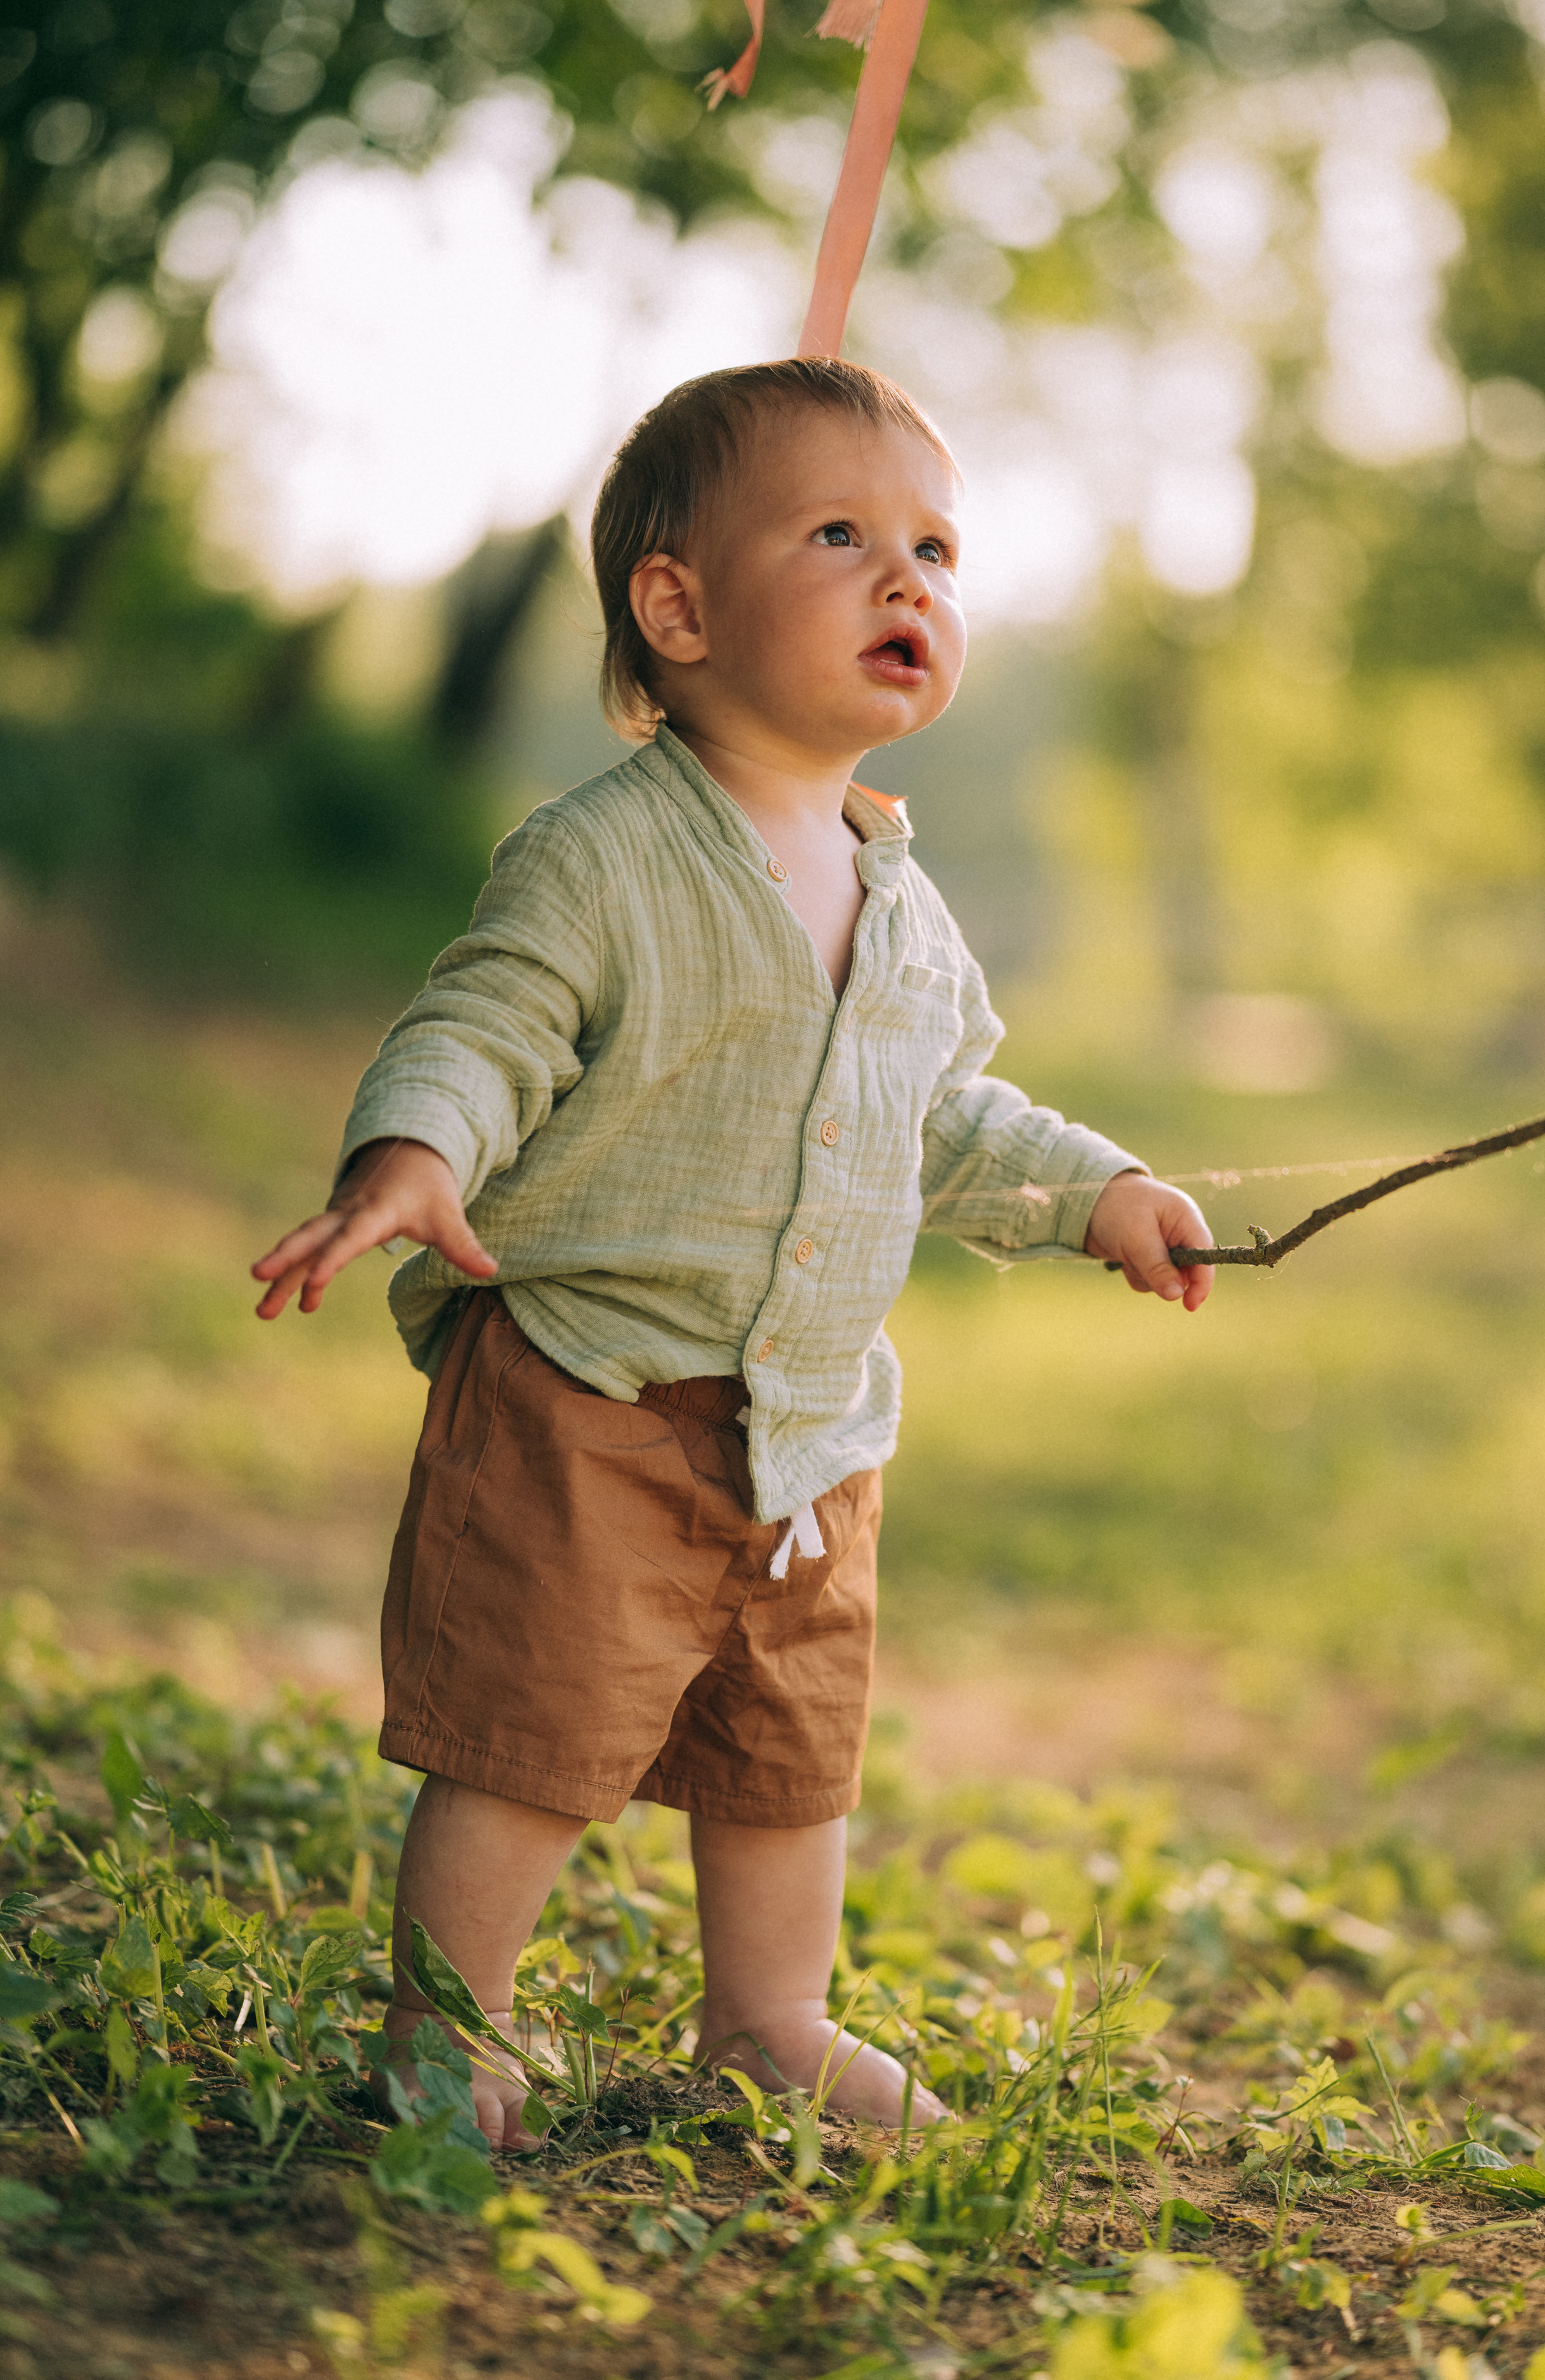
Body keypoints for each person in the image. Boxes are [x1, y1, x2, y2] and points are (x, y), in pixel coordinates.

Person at [250, 358, 1216, 2148]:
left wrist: (1102, 1192)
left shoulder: (904, 903)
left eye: (936, 547)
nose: (907, 576)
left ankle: (767, 2017)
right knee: (528, 1738)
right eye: (839, 535)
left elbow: (947, 1113)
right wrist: (414, 1151)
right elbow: (488, 1023)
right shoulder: (601, 857)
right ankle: (446, 2027)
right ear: (678, 609)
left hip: (810, 1436)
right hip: (588, 1395)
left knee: (787, 1755)